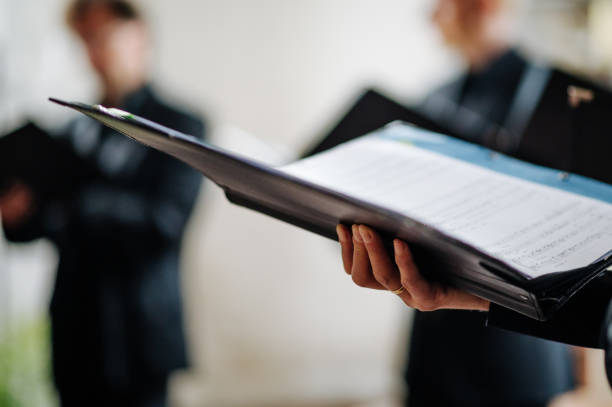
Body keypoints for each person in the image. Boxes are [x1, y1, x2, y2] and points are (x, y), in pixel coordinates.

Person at [0, 1, 205, 406]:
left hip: (139, 338)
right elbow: (32, 230)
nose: (94, 52)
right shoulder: (75, 128)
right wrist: (17, 212)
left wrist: (73, 205)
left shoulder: (180, 125)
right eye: (85, 41)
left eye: (103, 36)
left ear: (140, 35)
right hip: (76, 335)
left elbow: (165, 222)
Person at [404, 1, 577, 406]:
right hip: (434, 337)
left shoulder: (556, 95)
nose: (430, 17)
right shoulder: (436, 96)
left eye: (441, 3)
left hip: (512, 345)